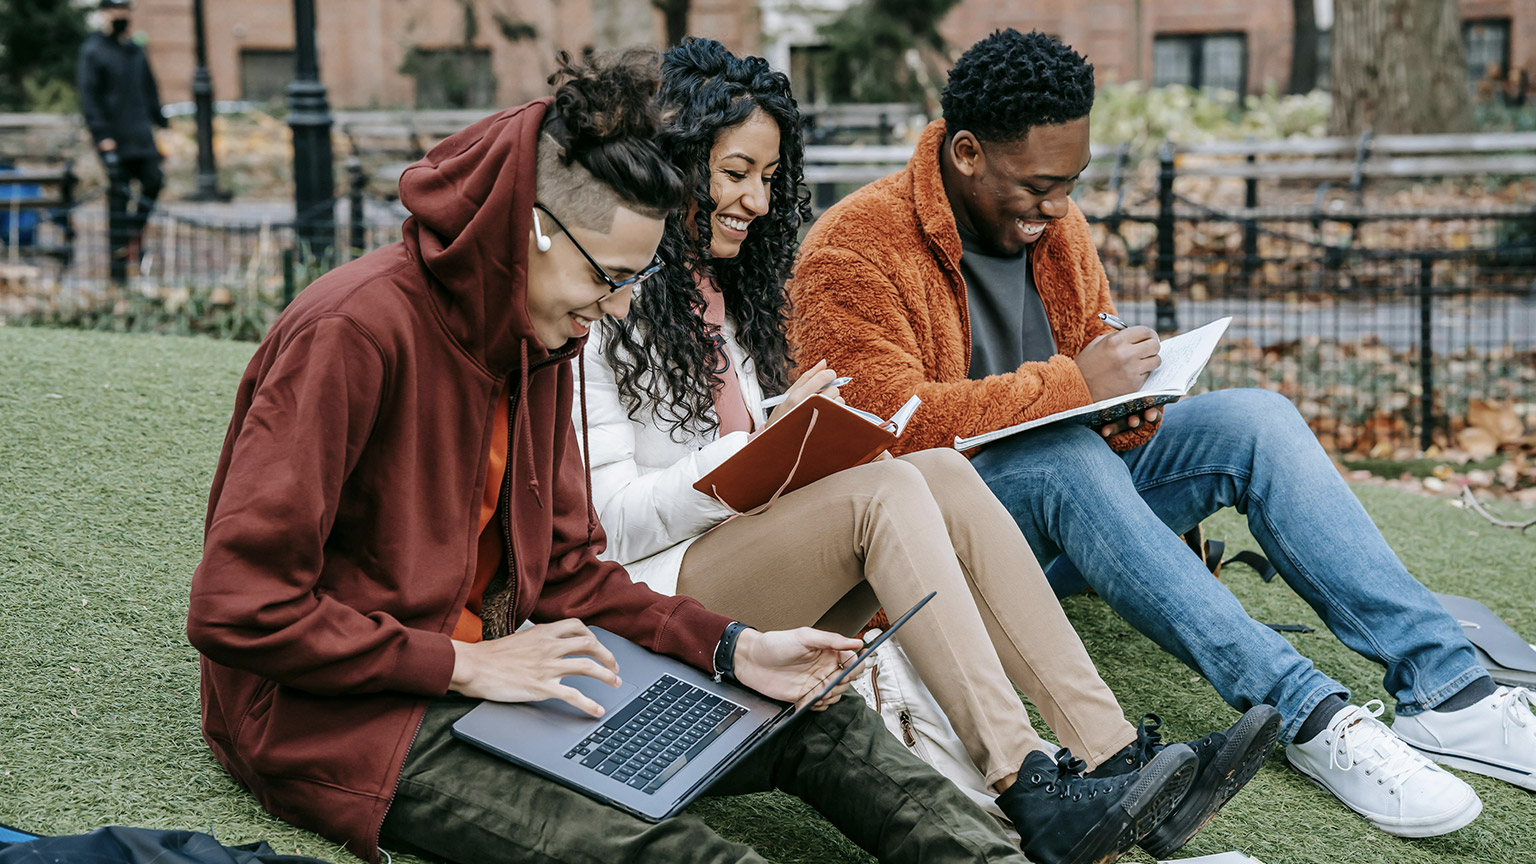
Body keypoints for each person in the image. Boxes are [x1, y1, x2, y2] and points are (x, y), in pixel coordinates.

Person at [185, 49, 1045, 864]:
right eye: (608, 277)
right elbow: (238, 605)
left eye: (634, 279)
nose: (620, 306)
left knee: (817, 720)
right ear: (536, 231)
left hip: (519, 674)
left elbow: (568, 569)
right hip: (355, 721)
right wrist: (464, 663)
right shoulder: (352, 333)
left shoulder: (542, 337)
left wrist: (734, 648)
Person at [788, 29, 1536, 839]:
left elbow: (1090, 346)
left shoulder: (1055, 226)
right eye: (1039, 186)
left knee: (1257, 419)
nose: (1058, 208)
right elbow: (876, 435)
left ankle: (1448, 692)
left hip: (1077, 499)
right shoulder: (852, 247)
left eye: (1072, 183)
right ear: (967, 152)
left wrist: (1126, 405)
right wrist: (1074, 389)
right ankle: (1313, 716)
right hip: (950, 543)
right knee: (1057, 456)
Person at [577, 38, 1276, 864]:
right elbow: (609, 529)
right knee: (889, 491)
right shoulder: (596, 303)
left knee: (934, 470)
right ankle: (1027, 781)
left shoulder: (733, 297)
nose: (757, 201)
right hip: (657, 601)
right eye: (735, 174)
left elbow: (755, 457)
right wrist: (757, 448)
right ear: (675, 163)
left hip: (743, 559)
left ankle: (1112, 757)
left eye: (768, 178)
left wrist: (797, 436)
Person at [76, 0, 166, 284]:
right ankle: (118, 276)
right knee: (118, 200)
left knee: (154, 182)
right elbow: (89, 99)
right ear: (104, 13)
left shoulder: (135, 50)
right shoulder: (93, 51)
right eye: (116, 9)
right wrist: (103, 137)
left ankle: (131, 236)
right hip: (114, 141)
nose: (122, 14)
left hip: (142, 137)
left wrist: (163, 125)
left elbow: (150, 92)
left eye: (126, 9)